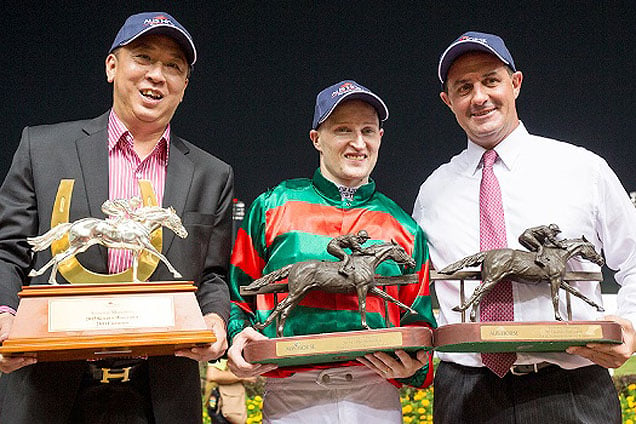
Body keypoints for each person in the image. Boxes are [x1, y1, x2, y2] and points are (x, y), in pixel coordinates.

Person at [0, 12, 234, 423]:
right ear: (112, 66)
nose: (157, 75)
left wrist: (214, 318)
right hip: (46, 392)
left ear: (184, 85)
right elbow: (8, 251)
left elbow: (212, 274)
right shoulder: (42, 148)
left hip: (162, 398)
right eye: (143, 57)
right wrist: (3, 317)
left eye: (173, 67)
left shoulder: (212, 174)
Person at [413, 31, 636, 423]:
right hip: (464, 392)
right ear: (448, 102)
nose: (478, 96)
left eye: (491, 80)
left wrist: (631, 326)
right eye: (464, 87)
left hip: (571, 387)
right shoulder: (432, 192)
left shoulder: (583, 168)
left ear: (515, 83)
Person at [227, 80, 436, 423]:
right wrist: (238, 337)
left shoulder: (405, 227)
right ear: (316, 139)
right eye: (343, 130)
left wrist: (416, 364)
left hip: (376, 395)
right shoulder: (271, 206)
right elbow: (238, 296)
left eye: (368, 130)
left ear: (380, 138)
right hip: (292, 396)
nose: (358, 143)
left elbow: (419, 317)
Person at [204, 359, 257, 424]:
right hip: (222, 403)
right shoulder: (223, 352)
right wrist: (243, 376)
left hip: (229, 404)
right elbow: (212, 375)